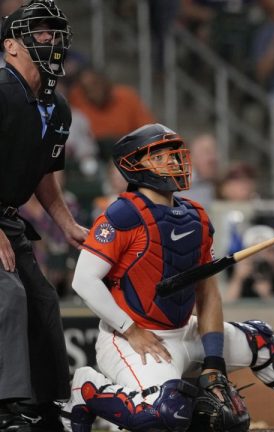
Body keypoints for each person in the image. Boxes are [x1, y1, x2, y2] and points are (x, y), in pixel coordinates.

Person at [58, 124, 274, 432]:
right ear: (134, 166)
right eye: (161, 157)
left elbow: (208, 293)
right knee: (164, 414)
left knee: (261, 340)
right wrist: (130, 330)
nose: (175, 162)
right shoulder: (123, 214)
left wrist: (214, 361)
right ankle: (86, 390)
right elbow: (83, 281)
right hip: (131, 339)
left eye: (175, 154)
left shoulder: (197, 215)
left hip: (185, 331)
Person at [0, 1, 89, 430]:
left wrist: (67, 223)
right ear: (10, 46)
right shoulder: (0, 90)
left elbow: (45, 175)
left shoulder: (57, 107)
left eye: (53, 32)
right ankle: (9, 408)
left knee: (42, 300)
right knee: (8, 295)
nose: (49, 40)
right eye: (38, 32)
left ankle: (46, 405)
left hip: (8, 217)